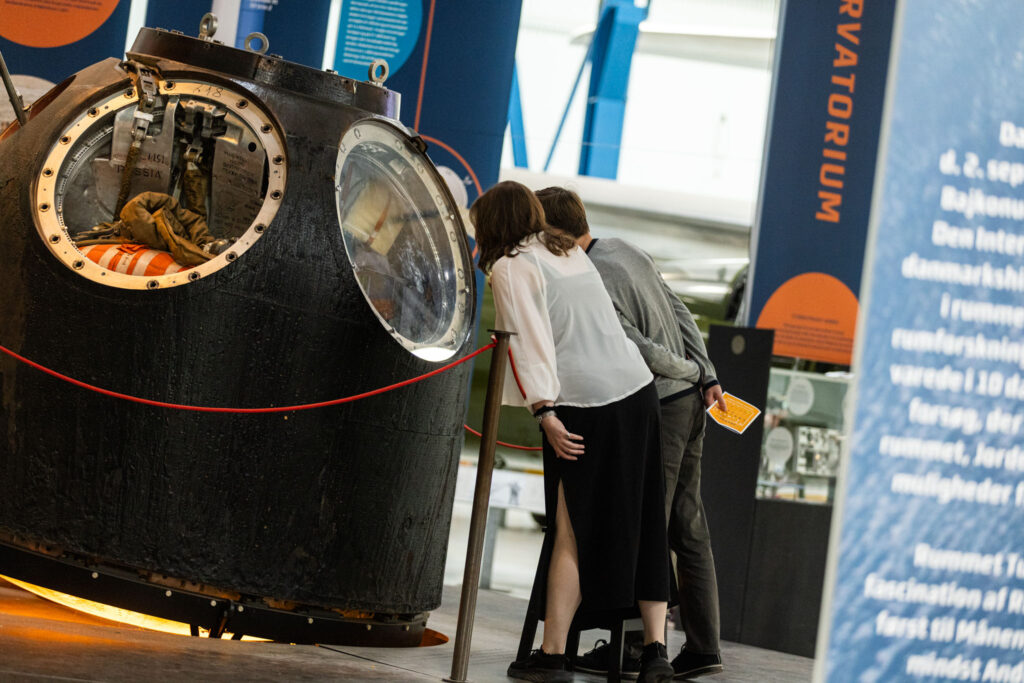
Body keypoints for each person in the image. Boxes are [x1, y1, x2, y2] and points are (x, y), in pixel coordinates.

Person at [472, 181, 675, 683]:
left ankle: (553, 656)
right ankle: (656, 654)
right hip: (638, 393)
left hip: (586, 404)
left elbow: (529, 342)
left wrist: (544, 411)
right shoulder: (565, 249)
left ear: (494, 224)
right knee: (647, 522)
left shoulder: (511, 266)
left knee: (572, 528)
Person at [536, 186, 726, 680]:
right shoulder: (627, 248)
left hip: (661, 402)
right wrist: (705, 373)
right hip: (692, 402)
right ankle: (704, 646)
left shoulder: (590, 273)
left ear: (554, 232)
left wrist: (686, 370)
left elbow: (634, 346)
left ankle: (641, 648)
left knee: (646, 527)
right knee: (688, 525)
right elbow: (680, 310)